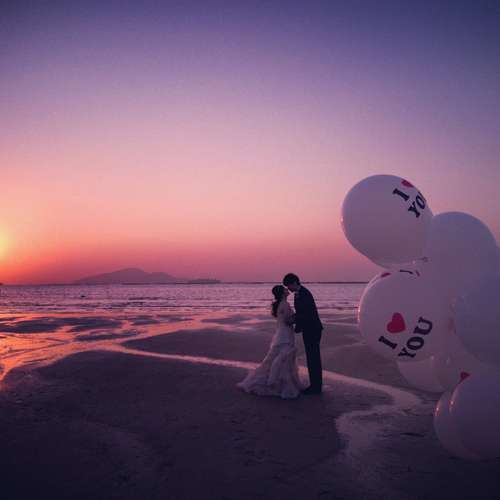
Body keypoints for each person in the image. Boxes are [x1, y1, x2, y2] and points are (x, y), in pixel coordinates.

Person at [237, 285, 303, 399]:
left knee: (279, 357)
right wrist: (299, 316)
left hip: (281, 333)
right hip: (285, 334)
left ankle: (277, 382)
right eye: (285, 289)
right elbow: (288, 321)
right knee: (284, 358)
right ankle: (279, 385)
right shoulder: (285, 304)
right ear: (282, 293)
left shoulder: (280, 304)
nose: (287, 290)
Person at [283, 273, 323, 395]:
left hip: (313, 329)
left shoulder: (305, 294)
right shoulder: (298, 294)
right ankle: (315, 385)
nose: (289, 289)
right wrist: (295, 319)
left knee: (313, 358)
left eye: (289, 286)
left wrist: (293, 320)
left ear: (294, 282)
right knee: (312, 358)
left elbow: (306, 313)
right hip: (308, 329)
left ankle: (316, 387)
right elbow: (301, 312)